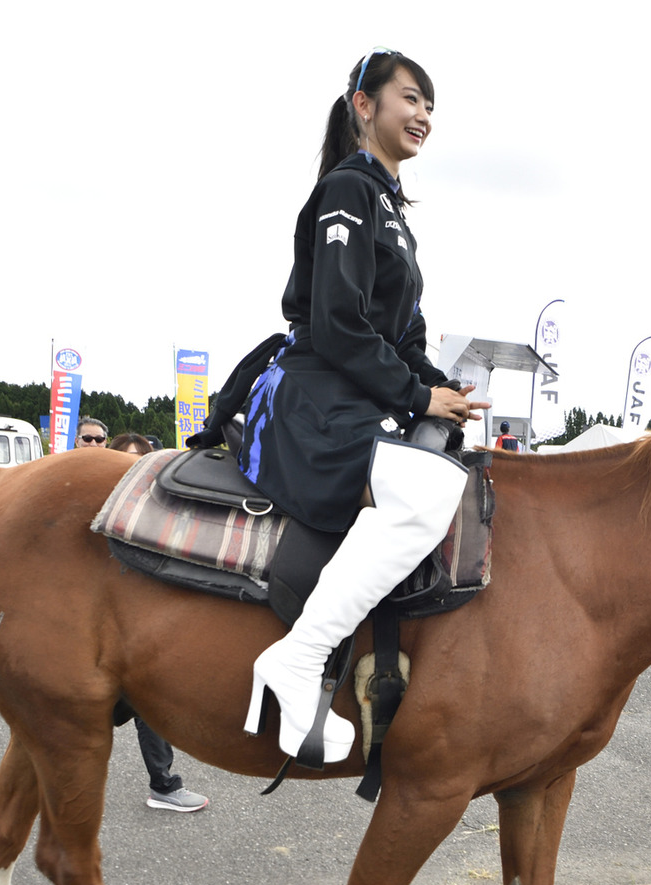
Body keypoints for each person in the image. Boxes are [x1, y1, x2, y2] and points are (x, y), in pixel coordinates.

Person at [234, 49, 483, 766]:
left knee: (451, 461)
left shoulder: (391, 210)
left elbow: (401, 336)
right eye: (411, 99)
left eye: (431, 106)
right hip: (314, 397)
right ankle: (297, 660)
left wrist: (442, 391)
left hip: (356, 391)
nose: (424, 116)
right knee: (425, 493)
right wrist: (413, 395)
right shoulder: (347, 189)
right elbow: (341, 324)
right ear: (364, 106)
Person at [100, 432, 209, 810]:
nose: (130, 469)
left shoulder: (157, 517)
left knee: (144, 704)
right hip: (99, 638)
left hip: (137, 636)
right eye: (123, 461)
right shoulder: (93, 515)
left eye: (138, 463)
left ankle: (163, 785)